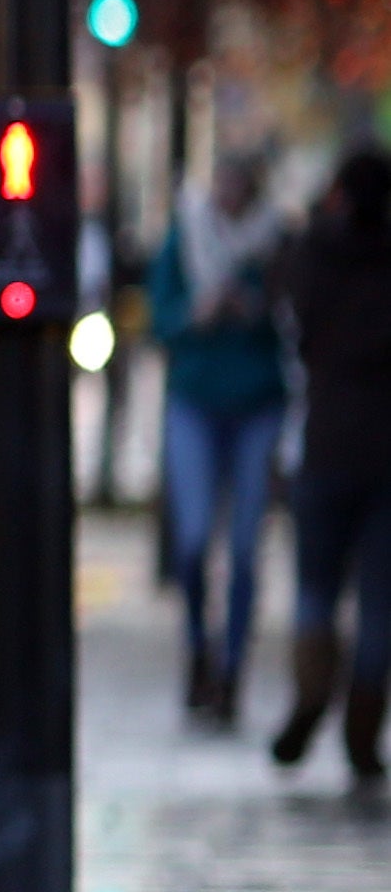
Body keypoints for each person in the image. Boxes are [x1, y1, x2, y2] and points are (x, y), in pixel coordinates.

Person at [153, 144, 293, 734]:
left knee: (243, 548)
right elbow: (161, 317)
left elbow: (295, 317)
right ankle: (196, 648)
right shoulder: (184, 236)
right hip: (194, 400)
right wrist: (195, 314)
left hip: (258, 404)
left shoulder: (277, 242)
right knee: (191, 540)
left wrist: (255, 309)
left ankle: (231, 668)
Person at [276, 148, 391, 778]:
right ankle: (364, 726)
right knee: (379, 600)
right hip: (385, 454)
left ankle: (312, 693)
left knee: (315, 588)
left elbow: (293, 321)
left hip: (323, 446)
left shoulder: (314, 253)